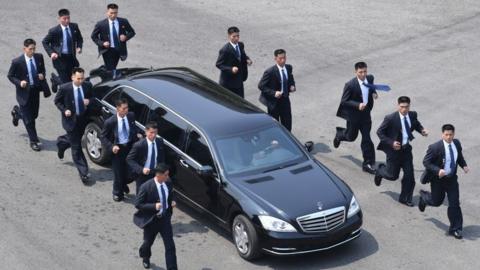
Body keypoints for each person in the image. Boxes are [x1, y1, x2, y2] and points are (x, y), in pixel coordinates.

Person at [374, 96, 428, 206]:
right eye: (402, 107)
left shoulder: (412, 115)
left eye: (406, 107)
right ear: (398, 106)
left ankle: (405, 198)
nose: (404, 109)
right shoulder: (390, 118)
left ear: (409, 106)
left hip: (406, 150)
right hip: (393, 151)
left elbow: (416, 124)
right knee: (392, 176)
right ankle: (380, 171)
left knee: (410, 177)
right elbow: (380, 132)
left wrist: (422, 130)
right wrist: (391, 143)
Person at [419, 124, 469, 239]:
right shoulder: (435, 147)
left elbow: (459, 156)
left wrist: (464, 165)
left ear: (454, 134)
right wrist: (438, 170)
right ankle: (424, 198)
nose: (448, 137)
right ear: (442, 134)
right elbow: (426, 162)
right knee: (437, 201)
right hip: (438, 180)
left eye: (451, 134)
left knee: (454, 203)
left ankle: (456, 228)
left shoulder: (456, 143)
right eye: (446, 135)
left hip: (452, 179)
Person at [334, 62, 378, 174]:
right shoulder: (350, 85)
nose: (363, 74)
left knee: (367, 138)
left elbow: (371, 88)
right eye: (360, 72)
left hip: (366, 115)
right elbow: (344, 101)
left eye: (365, 71)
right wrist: (357, 105)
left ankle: (368, 163)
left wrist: (374, 93)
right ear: (355, 72)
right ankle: (339, 135)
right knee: (351, 137)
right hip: (353, 117)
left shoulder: (370, 78)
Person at [7, 38, 51, 151]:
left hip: (35, 91)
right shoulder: (17, 62)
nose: (33, 51)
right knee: (30, 120)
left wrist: (42, 75)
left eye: (34, 48)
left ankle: (17, 113)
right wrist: (19, 82)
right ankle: (34, 141)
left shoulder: (39, 57)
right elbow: (10, 76)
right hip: (23, 93)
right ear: (24, 49)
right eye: (30, 49)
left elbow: (43, 70)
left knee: (34, 115)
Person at [134, 163, 177, 269]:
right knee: (147, 243)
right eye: (166, 175)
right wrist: (154, 206)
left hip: (165, 219)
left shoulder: (168, 182)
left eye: (168, 175)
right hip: (152, 221)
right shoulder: (146, 187)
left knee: (170, 246)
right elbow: (138, 204)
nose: (168, 177)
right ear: (158, 175)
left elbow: (171, 194)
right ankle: (145, 256)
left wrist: (172, 201)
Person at [54, 67, 92, 184]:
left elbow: (92, 97)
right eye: (78, 78)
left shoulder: (87, 86)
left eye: (82, 78)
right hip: (70, 121)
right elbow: (57, 101)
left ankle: (62, 143)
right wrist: (64, 110)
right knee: (76, 147)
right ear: (72, 77)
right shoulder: (65, 88)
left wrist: (89, 101)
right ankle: (84, 172)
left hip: (82, 120)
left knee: (74, 140)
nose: (81, 81)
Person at [100, 98, 141, 201]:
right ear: (118, 109)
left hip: (130, 147)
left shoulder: (131, 116)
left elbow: (133, 128)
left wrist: (138, 134)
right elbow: (103, 136)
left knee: (133, 172)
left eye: (127, 108)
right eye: (124, 108)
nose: (126, 110)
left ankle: (123, 183)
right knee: (118, 173)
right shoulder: (110, 122)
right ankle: (117, 192)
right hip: (117, 150)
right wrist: (111, 146)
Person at [42, 8, 83, 85]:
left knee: (71, 78)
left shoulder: (74, 27)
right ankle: (63, 90)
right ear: (59, 19)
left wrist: (79, 47)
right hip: (60, 59)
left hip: (71, 57)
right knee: (67, 83)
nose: (67, 20)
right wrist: (51, 53)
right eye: (64, 18)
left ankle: (56, 79)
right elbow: (45, 42)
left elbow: (79, 38)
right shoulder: (54, 31)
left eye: (68, 18)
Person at [258, 49, 296, 131]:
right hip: (274, 102)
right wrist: (274, 93)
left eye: (284, 58)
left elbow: (291, 78)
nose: (283, 60)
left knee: (287, 122)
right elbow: (261, 86)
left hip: (285, 99)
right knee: (274, 125)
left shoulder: (288, 68)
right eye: (280, 58)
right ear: (275, 59)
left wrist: (292, 85)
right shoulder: (270, 72)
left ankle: (287, 139)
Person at [91, 3, 136, 71]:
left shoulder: (123, 21)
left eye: (115, 13)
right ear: (107, 12)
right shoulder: (101, 24)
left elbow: (132, 32)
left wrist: (126, 37)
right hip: (107, 50)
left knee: (113, 67)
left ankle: (104, 69)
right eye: (111, 13)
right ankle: (110, 75)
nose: (113, 15)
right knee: (111, 69)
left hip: (119, 49)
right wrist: (102, 43)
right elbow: (93, 36)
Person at [127, 122, 165, 193]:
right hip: (143, 174)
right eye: (151, 132)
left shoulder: (159, 141)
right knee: (141, 194)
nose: (153, 135)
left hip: (155, 173)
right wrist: (141, 169)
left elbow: (161, 157)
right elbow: (129, 159)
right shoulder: (139, 145)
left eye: (155, 133)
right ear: (146, 132)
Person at [215, 26, 252, 98]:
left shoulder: (240, 45)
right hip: (228, 83)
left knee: (241, 102)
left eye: (238, 36)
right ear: (229, 36)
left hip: (239, 80)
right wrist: (231, 69)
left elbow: (242, 55)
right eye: (234, 36)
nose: (236, 38)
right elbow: (219, 64)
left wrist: (247, 59)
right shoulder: (225, 50)